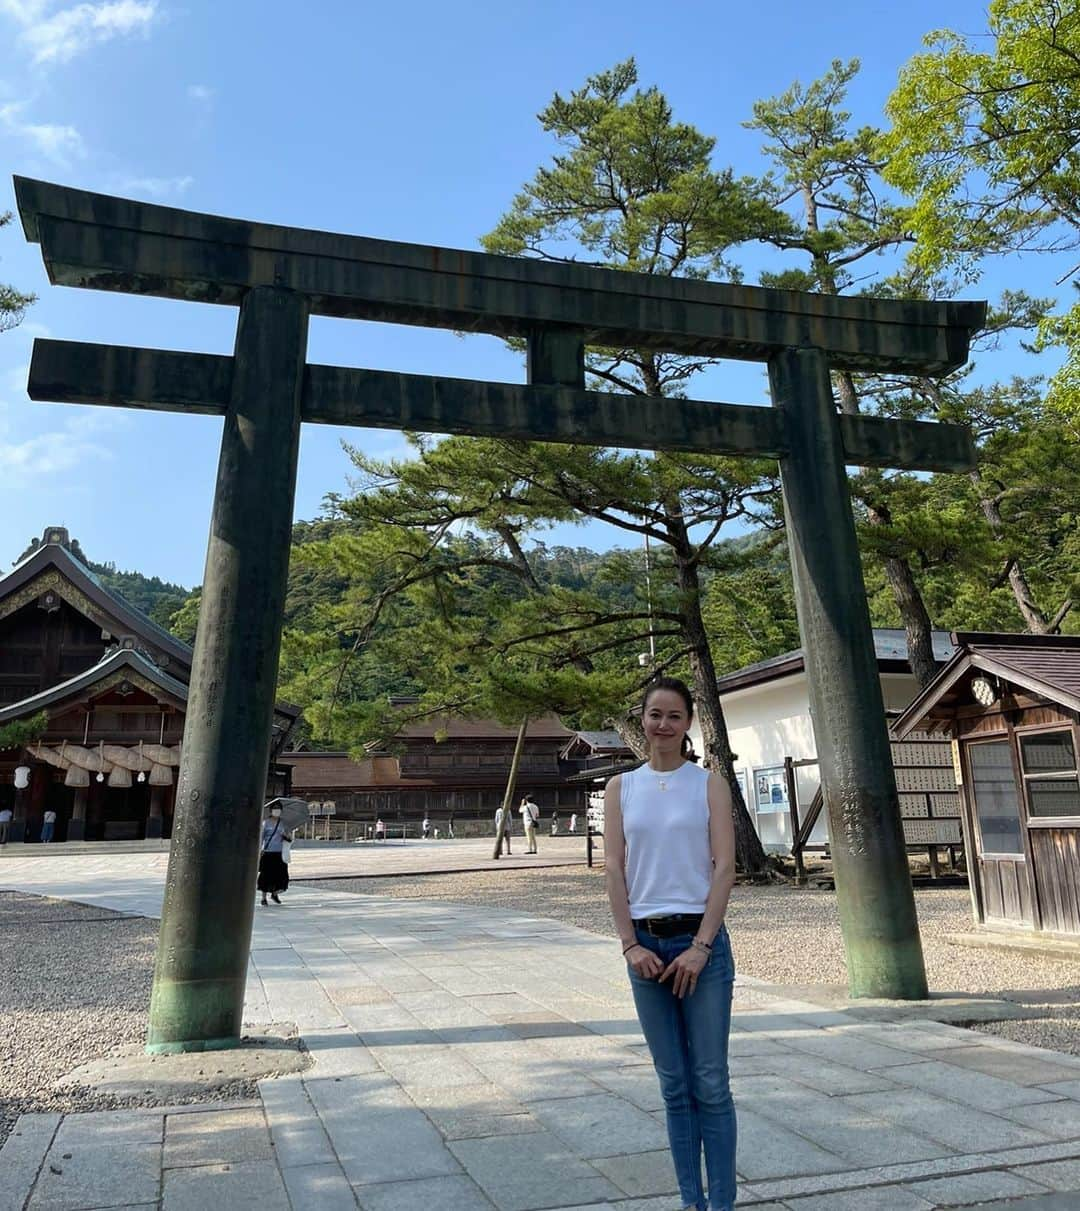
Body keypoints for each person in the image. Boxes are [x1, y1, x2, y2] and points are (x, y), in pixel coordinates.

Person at [604, 676, 737, 1211]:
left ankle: (722, 1204)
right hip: (647, 948)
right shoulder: (622, 787)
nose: (663, 724)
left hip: (701, 944)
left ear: (688, 724)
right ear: (643, 719)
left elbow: (724, 866)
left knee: (710, 1083)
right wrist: (629, 944)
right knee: (674, 1086)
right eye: (655, 714)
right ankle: (691, 1202)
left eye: (675, 715)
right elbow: (614, 867)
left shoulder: (707, 784)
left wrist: (702, 946)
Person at [257, 807, 292, 906]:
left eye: (279, 809)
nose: (277, 811)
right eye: (275, 809)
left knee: (282, 876)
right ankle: (263, 898)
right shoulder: (266, 823)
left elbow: (290, 838)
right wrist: (259, 850)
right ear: (271, 811)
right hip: (268, 852)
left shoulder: (283, 823)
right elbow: (261, 837)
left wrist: (286, 836)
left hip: (280, 853)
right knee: (266, 875)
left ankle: (275, 893)